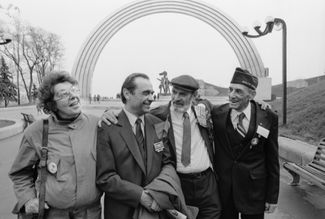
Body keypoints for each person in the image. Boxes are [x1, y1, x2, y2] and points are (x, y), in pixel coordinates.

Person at [100, 74, 222, 219]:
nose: (176, 97)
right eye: (174, 92)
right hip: (178, 184)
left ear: (194, 96)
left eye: (182, 94)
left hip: (206, 184)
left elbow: (229, 110)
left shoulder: (204, 111)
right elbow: (129, 115)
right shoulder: (159, 116)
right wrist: (108, 113)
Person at [9, 71, 102, 218]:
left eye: (73, 90)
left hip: (90, 213)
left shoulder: (97, 125)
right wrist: (28, 199)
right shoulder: (36, 132)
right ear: (52, 104)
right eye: (63, 94)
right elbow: (20, 173)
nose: (73, 96)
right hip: (53, 214)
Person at [208, 67, 279, 219]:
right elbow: (193, 104)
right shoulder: (217, 114)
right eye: (230, 89)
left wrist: (272, 197)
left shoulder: (267, 116)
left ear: (251, 95)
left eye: (238, 91)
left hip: (254, 191)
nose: (232, 95)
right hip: (225, 190)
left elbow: (272, 159)